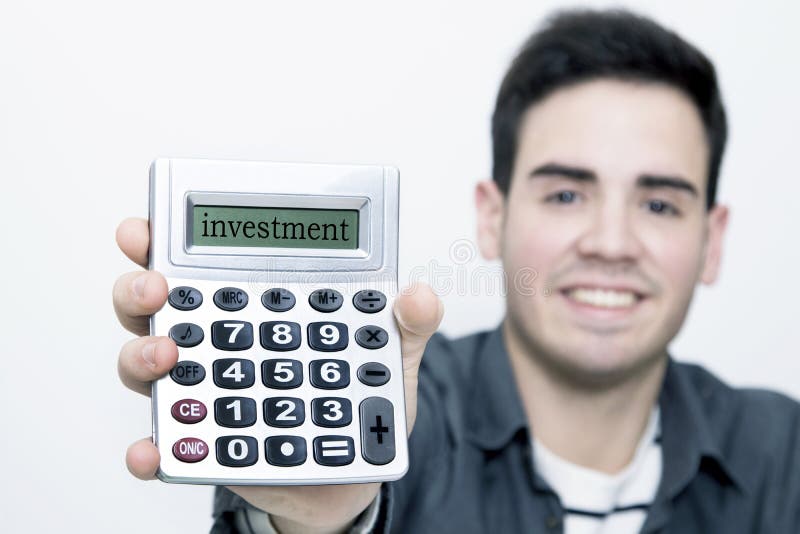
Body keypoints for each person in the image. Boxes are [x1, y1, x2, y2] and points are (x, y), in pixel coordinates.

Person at [114, 8, 800, 534]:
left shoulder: (786, 454)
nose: (611, 242)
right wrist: (322, 516)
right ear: (491, 219)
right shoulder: (397, 420)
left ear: (712, 241)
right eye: (565, 194)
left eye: (657, 202)